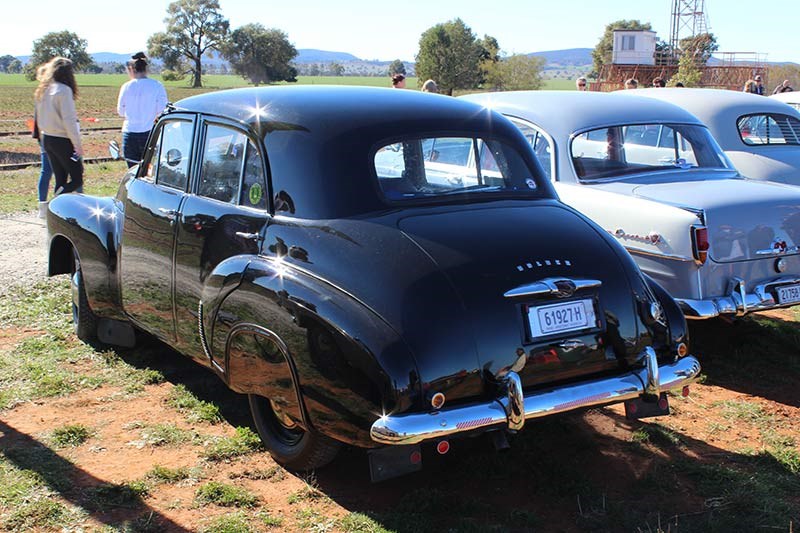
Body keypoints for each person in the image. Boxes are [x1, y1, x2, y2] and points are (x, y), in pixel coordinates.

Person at [34, 57, 83, 196]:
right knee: (77, 179)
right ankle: (56, 200)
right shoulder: (64, 90)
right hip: (62, 139)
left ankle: (56, 207)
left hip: (47, 138)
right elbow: (69, 121)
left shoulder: (43, 89)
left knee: (60, 179)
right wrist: (77, 145)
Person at [117, 52, 168, 167]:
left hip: (129, 134)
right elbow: (162, 110)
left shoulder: (126, 87)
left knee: (133, 169)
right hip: (148, 133)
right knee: (148, 169)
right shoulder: (157, 86)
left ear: (131, 69)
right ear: (146, 69)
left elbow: (120, 111)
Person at [33, 65, 54, 218]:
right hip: (54, 136)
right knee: (61, 171)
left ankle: (42, 205)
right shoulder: (54, 91)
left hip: (42, 135)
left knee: (45, 171)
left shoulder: (40, 92)